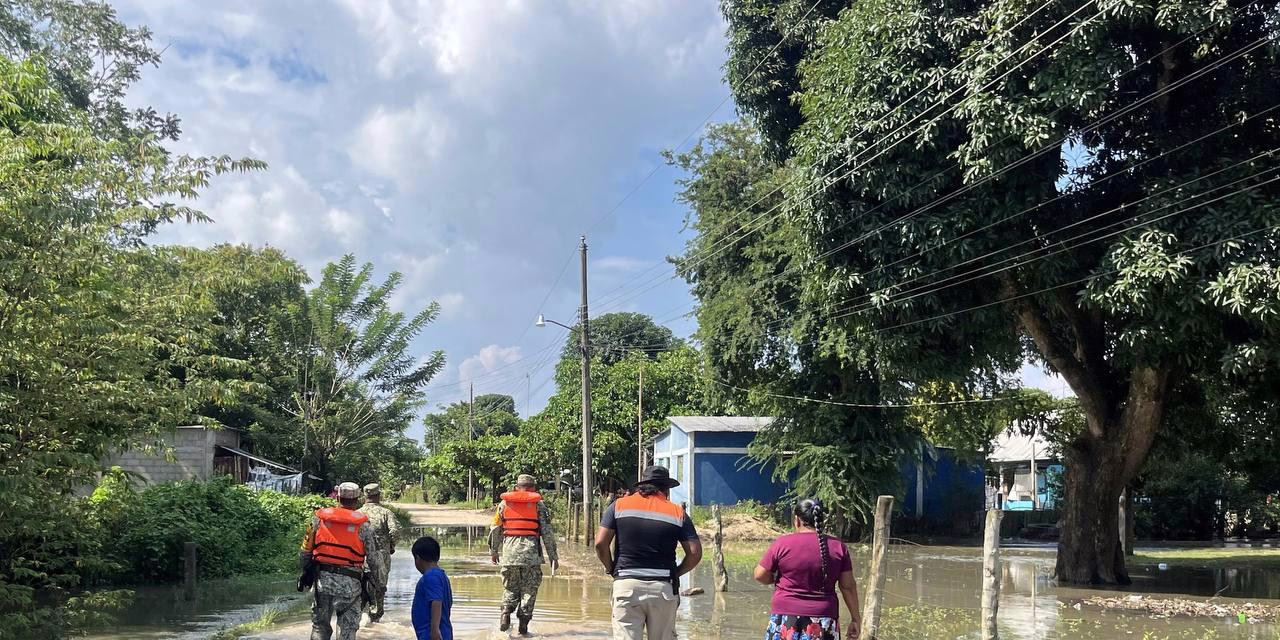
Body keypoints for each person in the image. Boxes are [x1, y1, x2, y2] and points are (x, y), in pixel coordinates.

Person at [594, 465, 702, 640]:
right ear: (666, 489)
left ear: (641, 486)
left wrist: (611, 568)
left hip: (626, 584)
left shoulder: (619, 506)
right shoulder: (677, 512)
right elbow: (695, 553)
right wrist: (675, 573)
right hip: (663, 589)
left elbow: (600, 544)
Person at [754, 499, 862, 640]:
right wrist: (856, 619)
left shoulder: (782, 544)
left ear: (797, 520)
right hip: (824, 621)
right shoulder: (838, 547)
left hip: (786, 618)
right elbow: (848, 587)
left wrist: (775, 578)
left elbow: (759, 575)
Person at [299, 481, 383, 640]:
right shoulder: (364, 526)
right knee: (347, 632)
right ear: (358, 499)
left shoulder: (317, 521)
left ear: (337, 498)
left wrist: (305, 573)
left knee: (319, 628)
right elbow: (374, 561)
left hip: (321, 585)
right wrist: (378, 585)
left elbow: (304, 552)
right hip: (350, 588)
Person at [488, 473, 558, 635]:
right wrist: (553, 557)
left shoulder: (504, 504)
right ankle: (523, 625)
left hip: (509, 555)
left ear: (516, 487)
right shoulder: (539, 506)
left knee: (510, 587)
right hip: (531, 556)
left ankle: (506, 611)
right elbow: (547, 533)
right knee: (529, 590)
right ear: (533, 488)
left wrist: (494, 551)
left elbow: (495, 529)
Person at [358, 483, 401, 623]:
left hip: (359, 557)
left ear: (365, 496)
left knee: (360, 588)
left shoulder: (357, 514)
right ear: (378, 495)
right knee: (379, 588)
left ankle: (362, 617)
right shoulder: (386, 513)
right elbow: (395, 531)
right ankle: (375, 619)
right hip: (381, 557)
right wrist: (391, 546)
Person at [412, 536, 453, 640]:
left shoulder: (431, 577)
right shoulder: (440, 576)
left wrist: (435, 630)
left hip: (432, 635)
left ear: (418, 558)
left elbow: (436, 601)